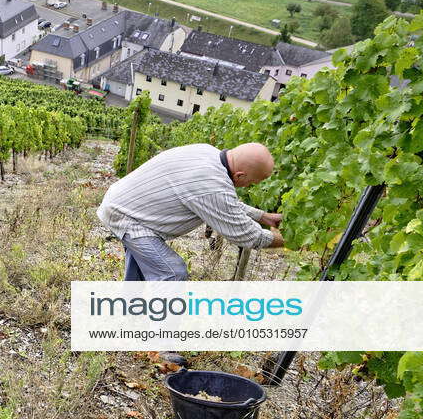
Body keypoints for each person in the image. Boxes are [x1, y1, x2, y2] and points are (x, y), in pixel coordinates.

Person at [97, 142, 284, 365]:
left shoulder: (208, 153)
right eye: (252, 182)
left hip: (124, 203)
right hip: (128, 216)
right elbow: (246, 235)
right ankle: (161, 348)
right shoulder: (212, 185)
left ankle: (123, 318)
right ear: (241, 175)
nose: (251, 186)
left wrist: (263, 216)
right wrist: (283, 241)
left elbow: (225, 201)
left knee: (144, 263)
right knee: (172, 272)